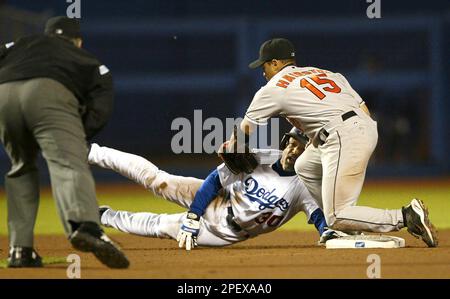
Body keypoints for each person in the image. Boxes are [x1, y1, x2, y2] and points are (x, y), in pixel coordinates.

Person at [227, 38, 438, 247]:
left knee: (337, 215)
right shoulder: (327, 73)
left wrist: (231, 146)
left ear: (275, 63)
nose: (263, 72)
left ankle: (404, 216)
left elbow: (247, 128)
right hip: (361, 128)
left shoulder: (272, 88)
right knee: (304, 166)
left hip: (340, 136)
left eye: (264, 65)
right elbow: (362, 109)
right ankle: (344, 226)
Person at [0, 16, 129, 268]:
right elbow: (101, 105)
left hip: (4, 93)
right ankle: (86, 226)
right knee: (68, 162)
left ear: (47, 35)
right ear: (77, 41)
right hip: (49, 93)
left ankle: (19, 249)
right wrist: (77, 137)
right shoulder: (87, 60)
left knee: (21, 168)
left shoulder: (19, 44)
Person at [88, 130, 343, 250]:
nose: (293, 150)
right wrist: (193, 214)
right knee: (158, 181)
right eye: (292, 143)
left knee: (159, 226)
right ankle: (94, 152)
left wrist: (329, 233)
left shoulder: (305, 187)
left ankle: (101, 216)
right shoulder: (260, 157)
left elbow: (319, 219)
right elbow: (214, 180)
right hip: (218, 200)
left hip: (225, 234)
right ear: (285, 142)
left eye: (302, 148)